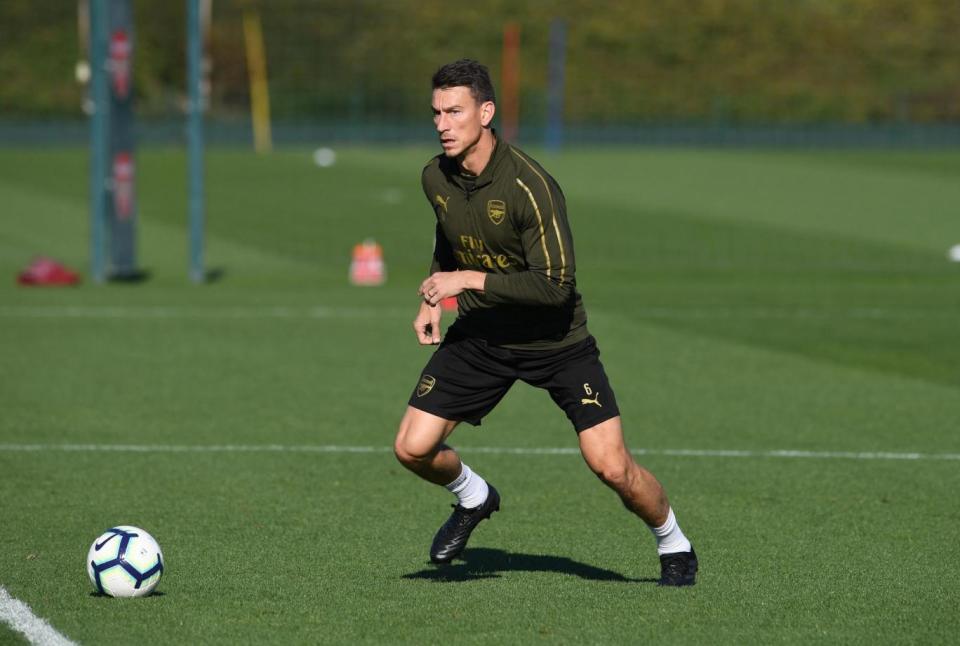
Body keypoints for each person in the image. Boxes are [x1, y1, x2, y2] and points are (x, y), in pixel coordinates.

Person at [393, 59, 698, 586]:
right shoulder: (434, 177)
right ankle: (474, 496)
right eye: (437, 112)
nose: (443, 123)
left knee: (612, 468)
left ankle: (674, 543)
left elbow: (554, 284)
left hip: (556, 342)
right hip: (482, 338)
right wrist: (432, 295)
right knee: (412, 448)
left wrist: (464, 280)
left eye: (455, 111)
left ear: (486, 113)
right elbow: (450, 237)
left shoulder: (530, 186)